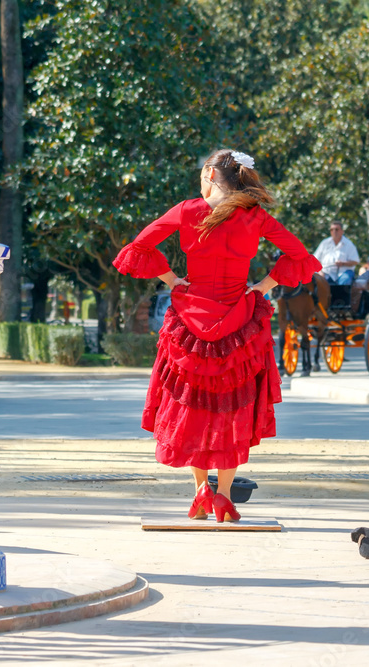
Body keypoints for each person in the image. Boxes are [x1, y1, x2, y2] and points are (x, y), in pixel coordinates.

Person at [112, 149, 320, 523]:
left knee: (191, 404)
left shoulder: (189, 211)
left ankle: (199, 492)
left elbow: (139, 247)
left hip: (191, 319)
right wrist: (263, 286)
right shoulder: (254, 216)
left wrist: (173, 279)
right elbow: (300, 256)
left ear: (209, 173)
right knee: (233, 407)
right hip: (238, 322)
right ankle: (223, 496)